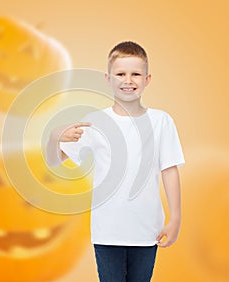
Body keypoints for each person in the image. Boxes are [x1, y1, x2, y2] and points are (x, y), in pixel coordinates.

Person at [46, 41, 185, 282]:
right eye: (120, 74)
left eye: (135, 74)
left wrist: (175, 218)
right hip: (107, 233)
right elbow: (54, 162)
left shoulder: (161, 121)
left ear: (147, 79)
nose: (128, 80)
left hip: (147, 232)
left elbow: (169, 170)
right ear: (108, 79)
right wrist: (53, 137)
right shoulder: (94, 122)